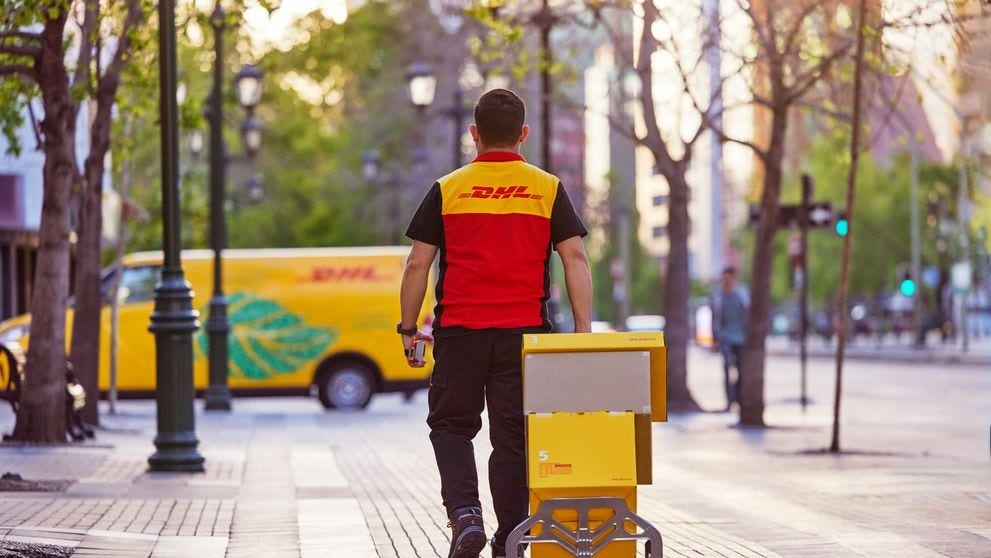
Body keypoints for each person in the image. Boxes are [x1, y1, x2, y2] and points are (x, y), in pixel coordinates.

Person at [398, 88, 592, 558]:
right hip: (524, 334)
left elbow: (416, 265)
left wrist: (408, 330)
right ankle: (512, 537)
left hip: (460, 332)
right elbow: (575, 257)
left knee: (451, 426)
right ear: (523, 134)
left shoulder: (449, 188)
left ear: (474, 134)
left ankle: (465, 516)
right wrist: (582, 335)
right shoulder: (546, 188)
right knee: (514, 436)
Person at [711, 266, 749, 411]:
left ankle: (738, 398)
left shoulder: (742, 294)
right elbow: (715, 318)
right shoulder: (718, 296)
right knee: (726, 368)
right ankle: (729, 400)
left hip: (741, 338)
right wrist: (716, 338)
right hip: (725, 337)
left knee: (740, 369)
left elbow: (747, 313)